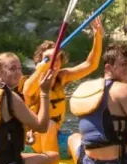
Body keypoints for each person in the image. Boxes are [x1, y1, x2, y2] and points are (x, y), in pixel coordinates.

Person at [20, 17, 104, 156]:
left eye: (57, 58)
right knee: (49, 125)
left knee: (84, 140)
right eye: (50, 59)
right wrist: (42, 67)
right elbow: (27, 91)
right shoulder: (35, 82)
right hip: (34, 140)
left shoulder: (62, 77)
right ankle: (48, 162)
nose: (55, 62)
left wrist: (98, 37)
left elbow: (91, 65)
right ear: (41, 62)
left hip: (56, 136)